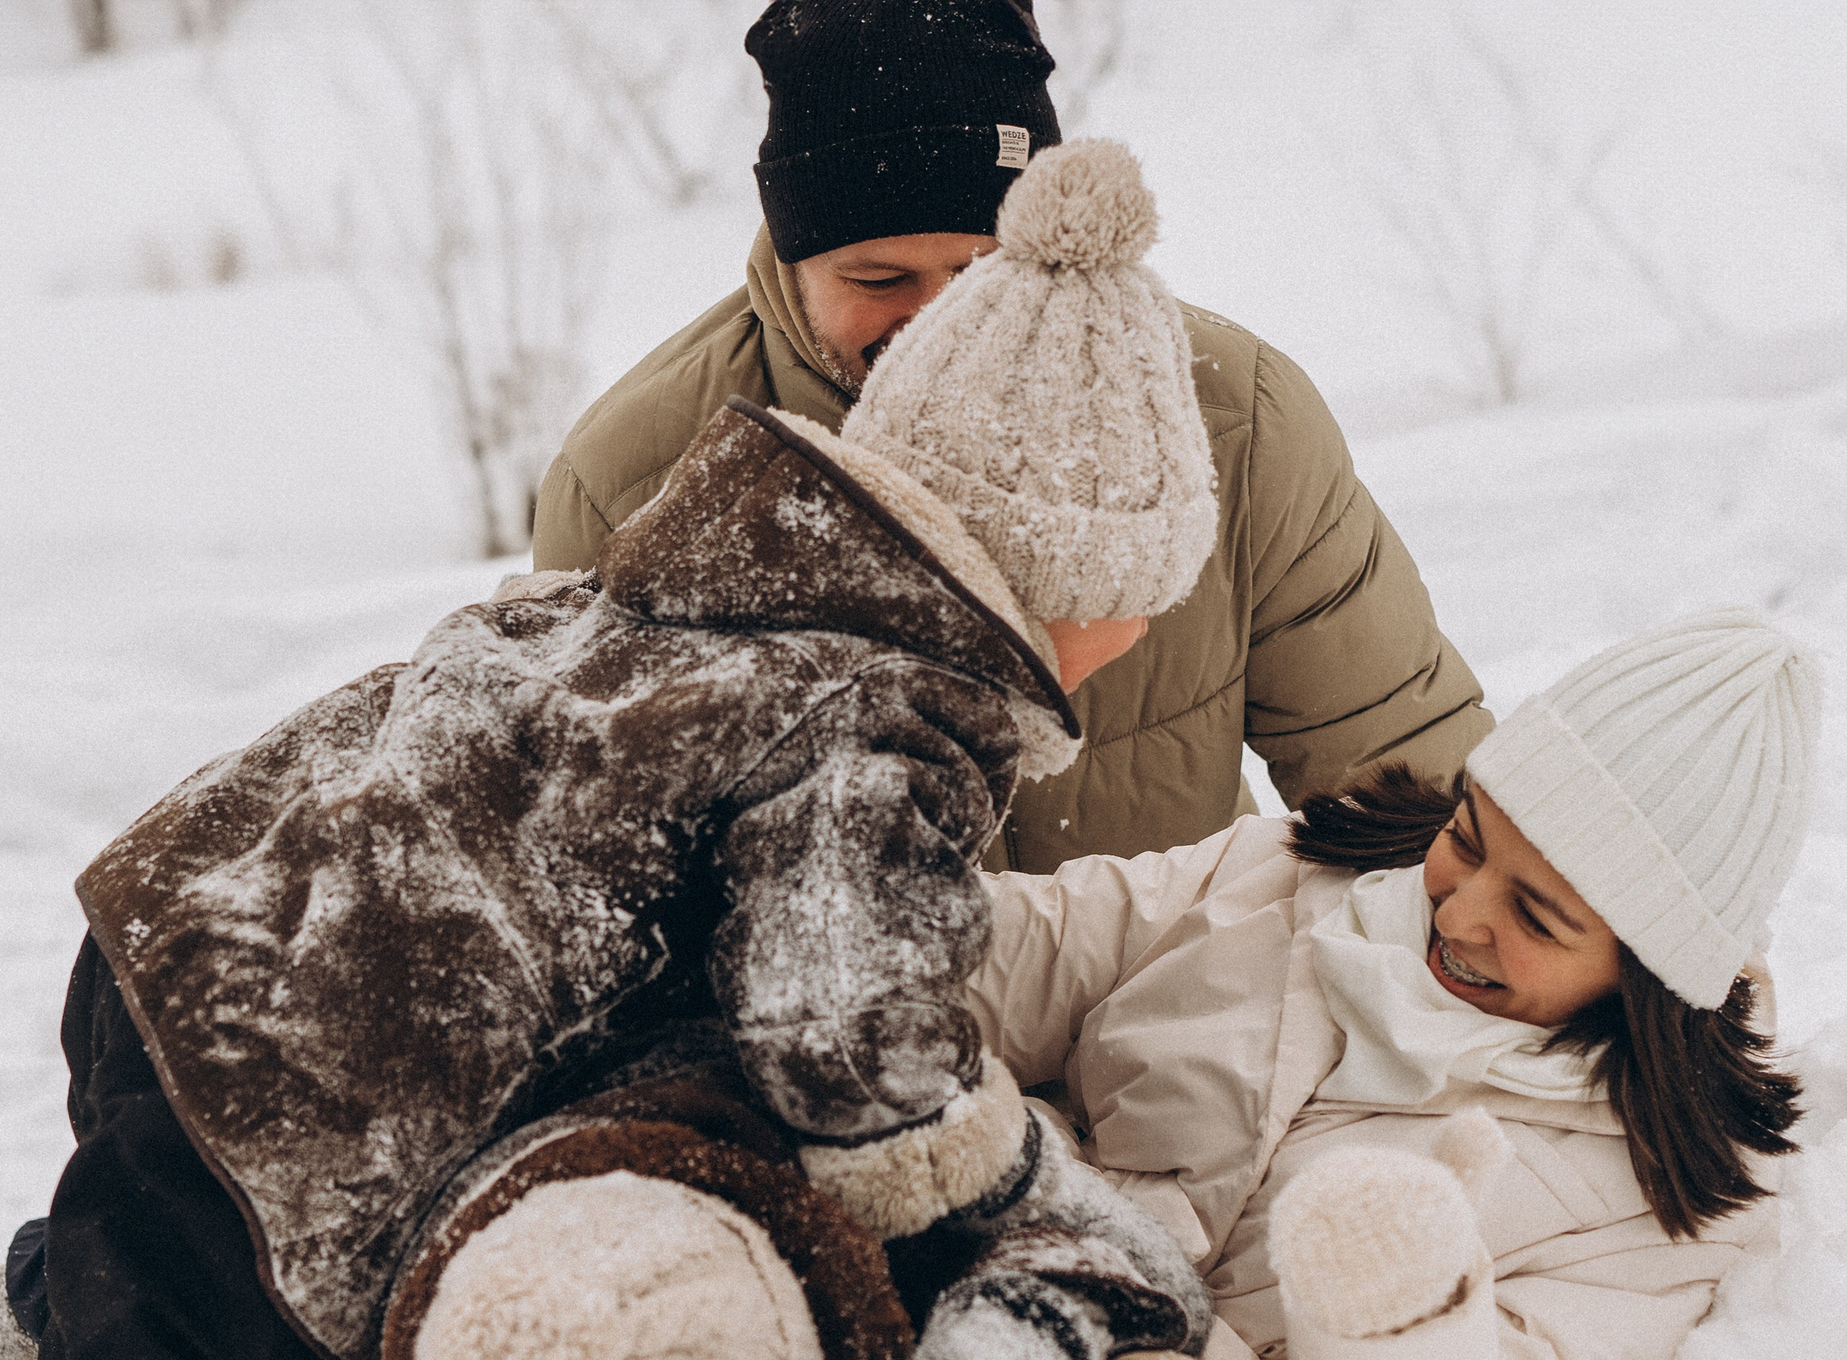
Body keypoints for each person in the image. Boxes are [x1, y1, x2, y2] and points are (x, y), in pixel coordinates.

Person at [0, 141, 1261, 1360]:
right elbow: (844, 1036)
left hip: (177, 961)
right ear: (1081, 576)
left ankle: (51, 1358)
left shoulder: (695, 589)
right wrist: (1026, 1211)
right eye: (1146, 596)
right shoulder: (885, 719)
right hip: (308, 1102)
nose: (1146, 634)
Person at [952, 607, 1822, 1360]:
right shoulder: (1294, 873)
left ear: (1647, 973)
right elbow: (1030, 948)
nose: (1456, 912)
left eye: (1538, 917)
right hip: (966, 1251)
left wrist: (1398, 1316)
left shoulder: (1652, 1196)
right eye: (1467, 835)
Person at [536, 0, 1492, 876]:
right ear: (792, 258)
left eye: (988, 269)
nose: (946, 322)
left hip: (1184, 1020)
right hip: (865, 1050)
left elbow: (1404, 777)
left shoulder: (1232, 412)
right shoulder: (633, 482)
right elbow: (610, 886)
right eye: (879, 281)